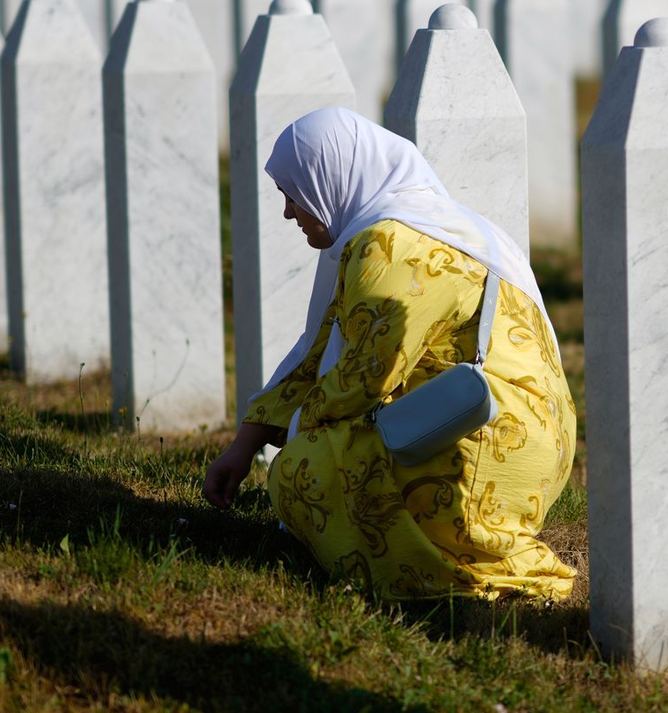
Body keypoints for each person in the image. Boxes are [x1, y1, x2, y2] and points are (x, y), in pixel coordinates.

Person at [203, 108, 577, 602]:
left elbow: (365, 376)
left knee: (300, 471)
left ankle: (464, 579)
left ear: (330, 181)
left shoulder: (390, 243)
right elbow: (319, 356)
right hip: (524, 435)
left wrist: (300, 436)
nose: (290, 213)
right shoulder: (426, 226)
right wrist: (245, 445)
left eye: (294, 194)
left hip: (482, 437)